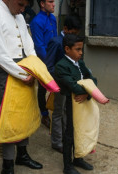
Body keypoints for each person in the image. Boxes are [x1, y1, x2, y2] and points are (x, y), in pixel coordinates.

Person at [0, 0, 43, 173]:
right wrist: (24, 75)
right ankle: (7, 164)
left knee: (25, 113)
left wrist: (33, 67)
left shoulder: (19, 14)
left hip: (26, 69)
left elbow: (29, 44)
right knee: (9, 117)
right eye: (21, 4)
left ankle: (22, 154)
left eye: (24, 7)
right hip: (8, 71)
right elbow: (0, 55)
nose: (22, 10)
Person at [55, 34, 96, 174]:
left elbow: (93, 79)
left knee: (81, 131)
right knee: (70, 134)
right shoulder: (61, 66)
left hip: (82, 102)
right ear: (67, 49)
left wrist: (86, 93)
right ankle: (67, 166)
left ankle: (78, 158)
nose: (81, 52)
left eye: (81, 49)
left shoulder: (80, 62)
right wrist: (88, 89)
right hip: (70, 103)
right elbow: (75, 87)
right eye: (78, 49)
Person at [45, 14, 82, 153]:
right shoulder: (56, 42)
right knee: (58, 112)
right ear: (65, 29)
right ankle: (56, 141)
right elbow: (48, 66)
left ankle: (66, 138)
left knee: (68, 111)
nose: (74, 36)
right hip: (59, 84)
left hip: (70, 83)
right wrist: (60, 79)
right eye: (72, 33)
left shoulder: (72, 42)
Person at [30, 0, 57, 128]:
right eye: (50, 1)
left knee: (57, 87)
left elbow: (57, 40)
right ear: (42, 4)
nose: (54, 4)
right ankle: (44, 115)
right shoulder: (36, 22)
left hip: (55, 59)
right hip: (43, 60)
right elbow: (39, 46)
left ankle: (56, 112)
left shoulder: (53, 18)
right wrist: (49, 62)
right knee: (42, 89)